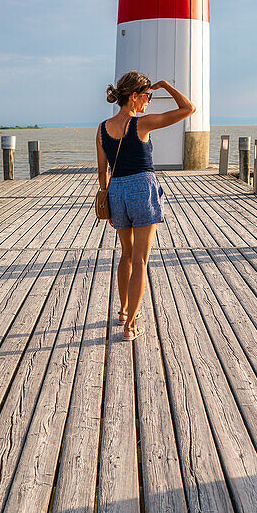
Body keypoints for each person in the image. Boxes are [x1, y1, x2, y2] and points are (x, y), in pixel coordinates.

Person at [96, 71, 195, 340]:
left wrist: (107, 196)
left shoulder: (103, 128)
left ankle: (124, 310)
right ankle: (130, 326)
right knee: (140, 259)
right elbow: (189, 109)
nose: (149, 102)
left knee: (126, 254)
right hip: (142, 188)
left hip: (116, 191)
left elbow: (102, 172)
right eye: (148, 96)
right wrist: (166, 86)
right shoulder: (142, 124)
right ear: (135, 96)